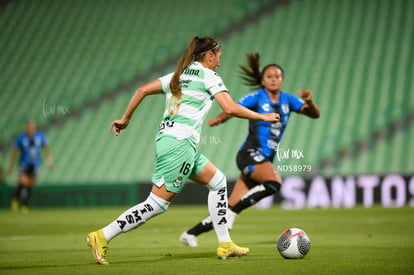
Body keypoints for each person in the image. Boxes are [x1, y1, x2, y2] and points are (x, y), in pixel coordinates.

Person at [86, 37, 280, 265]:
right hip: (179, 144)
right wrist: (262, 116)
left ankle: (225, 244)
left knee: (218, 182)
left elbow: (141, 90)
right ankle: (102, 235)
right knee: (156, 204)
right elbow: (229, 107)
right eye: (219, 58)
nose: (219, 63)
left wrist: (125, 119)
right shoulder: (209, 76)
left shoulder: (177, 76)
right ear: (210, 56)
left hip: (173, 141)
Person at [180, 52, 320, 247]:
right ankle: (233, 213)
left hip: (265, 159)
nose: (273, 79)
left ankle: (190, 234)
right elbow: (233, 108)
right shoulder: (257, 97)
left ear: (282, 79)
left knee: (227, 207)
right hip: (249, 154)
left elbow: (314, 115)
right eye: (269, 76)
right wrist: (220, 119)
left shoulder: (289, 100)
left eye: (277, 76)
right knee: (273, 184)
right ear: (263, 80)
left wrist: (310, 102)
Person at [7, 120, 53, 213]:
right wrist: (10, 165)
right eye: (29, 127)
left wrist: (49, 162)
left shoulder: (40, 136)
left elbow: (46, 149)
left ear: (34, 128)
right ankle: (16, 199)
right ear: (26, 128)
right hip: (23, 164)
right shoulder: (21, 137)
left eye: (32, 127)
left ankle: (24, 204)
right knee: (23, 181)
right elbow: (14, 151)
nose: (30, 129)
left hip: (35, 165)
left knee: (29, 185)